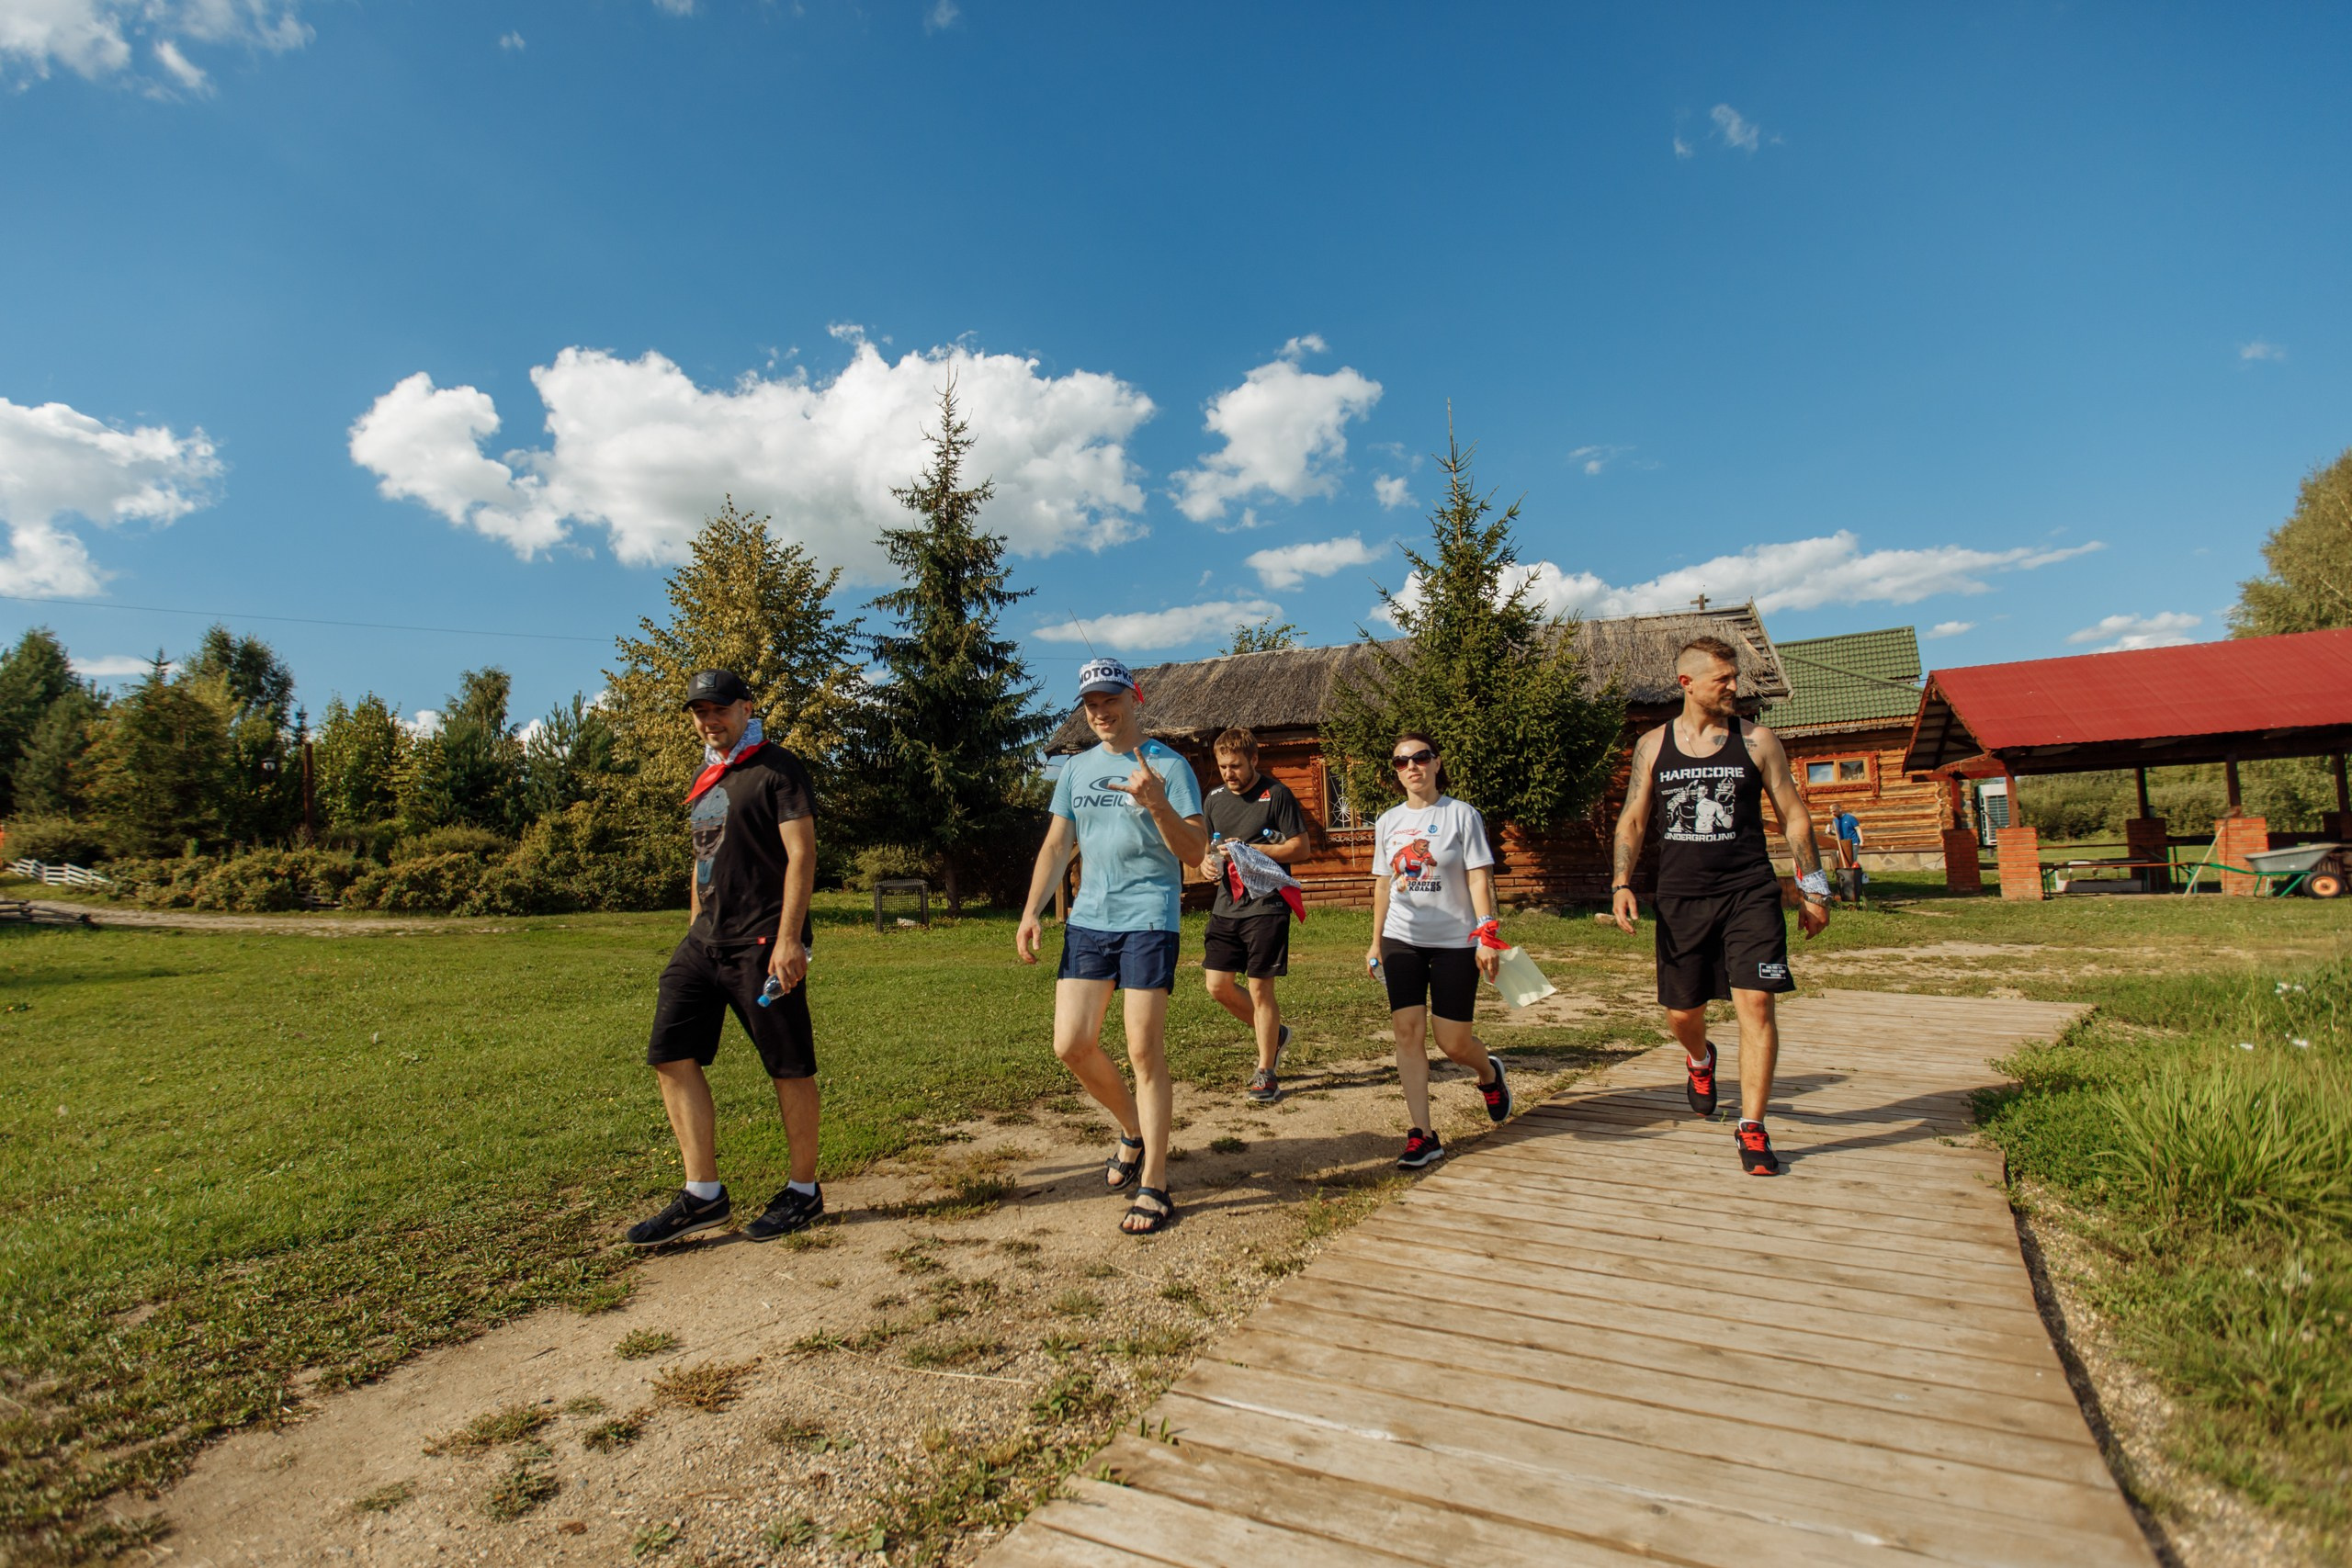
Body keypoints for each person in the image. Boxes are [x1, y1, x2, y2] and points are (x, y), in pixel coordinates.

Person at [1610, 637, 1832, 1176]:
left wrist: (1814, 886)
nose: (1734, 686)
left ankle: (1752, 1127)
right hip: (1682, 897)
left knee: (1756, 1003)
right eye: (1723, 679)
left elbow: (1793, 815)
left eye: (1735, 677)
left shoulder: (1757, 741)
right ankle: (1700, 1059)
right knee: (1683, 1014)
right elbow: (1635, 817)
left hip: (1749, 892)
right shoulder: (1653, 746)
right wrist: (1620, 882)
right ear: (1687, 683)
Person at [627, 669, 828, 1247]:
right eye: (699, 712)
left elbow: (802, 854)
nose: (709, 721)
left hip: (764, 942)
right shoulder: (707, 775)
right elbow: (703, 855)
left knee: (788, 1066)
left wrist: (790, 940)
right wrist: (695, 927)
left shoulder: (777, 768)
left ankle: (803, 1191)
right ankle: (703, 1194)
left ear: (745, 708)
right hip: (706, 942)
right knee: (671, 1052)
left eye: (719, 710)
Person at [1015, 658, 1208, 1235]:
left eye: (1110, 699)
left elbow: (1196, 852)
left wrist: (1157, 802)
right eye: (1091, 703)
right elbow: (1056, 845)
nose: (1100, 711)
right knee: (1071, 1044)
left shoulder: (1171, 767)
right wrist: (1030, 911)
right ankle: (1132, 1129)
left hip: (1150, 918)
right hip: (1089, 920)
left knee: (1144, 1051)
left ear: (1134, 697)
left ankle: (1155, 1182)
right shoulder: (1075, 770)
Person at [1364, 732, 1513, 1169]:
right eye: (1401, 761)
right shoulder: (1387, 822)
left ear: (1436, 762)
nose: (1412, 766)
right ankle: (1422, 1135)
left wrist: (1487, 935)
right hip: (1401, 939)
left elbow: (1479, 879)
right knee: (1408, 1033)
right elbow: (1383, 885)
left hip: (1454, 942)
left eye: (1420, 757)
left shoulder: (1462, 816)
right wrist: (1376, 941)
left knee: (1453, 1042)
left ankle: (1488, 1073)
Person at [1198, 728, 1307, 1103]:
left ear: (1254, 761)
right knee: (1217, 986)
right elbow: (1210, 850)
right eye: (1223, 766)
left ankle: (1266, 1071)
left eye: (1236, 766)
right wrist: (1207, 865)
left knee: (1261, 989)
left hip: (1266, 905)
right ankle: (1275, 1034)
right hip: (1226, 906)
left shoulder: (1277, 795)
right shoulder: (1213, 799)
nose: (1229, 773)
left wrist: (1251, 851)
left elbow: (1300, 847)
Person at [1831, 807, 1865, 906]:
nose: (1833, 813)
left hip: (1853, 844)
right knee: (1841, 865)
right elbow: (1836, 833)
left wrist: (1862, 841)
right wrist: (1829, 831)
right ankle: (1843, 887)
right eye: (1831, 811)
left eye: (1834, 811)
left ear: (1839, 810)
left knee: (1850, 865)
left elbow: (1858, 829)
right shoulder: (1835, 821)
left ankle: (1852, 886)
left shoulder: (1850, 818)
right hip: (1842, 845)